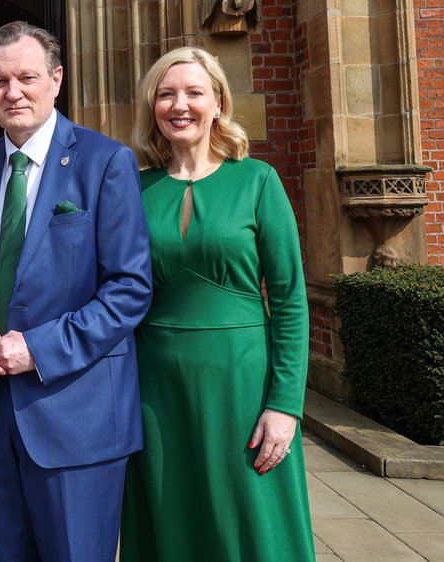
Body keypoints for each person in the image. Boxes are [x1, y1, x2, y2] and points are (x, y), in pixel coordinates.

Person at [0, 21, 152, 562]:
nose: (12, 92)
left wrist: (36, 348)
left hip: (76, 413)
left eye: (26, 78)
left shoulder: (105, 162)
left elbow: (130, 289)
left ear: (56, 80)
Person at [119, 46, 315, 560]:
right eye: (166, 94)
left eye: (193, 93)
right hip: (154, 386)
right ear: (152, 107)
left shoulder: (258, 181)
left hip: (243, 383)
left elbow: (291, 299)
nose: (179, 105)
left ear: (219, 103)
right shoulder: (131, 190)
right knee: (171, 520)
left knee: (250, 523)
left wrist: (285, 404)